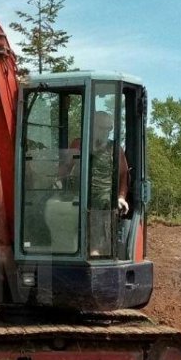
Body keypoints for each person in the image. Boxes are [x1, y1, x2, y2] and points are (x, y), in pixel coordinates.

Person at [58, 108, 130, 256]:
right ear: (92, 126)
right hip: (78, 197)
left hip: (102, 199)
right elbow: (65, 168)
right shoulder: (79, 145)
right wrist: (55, 182)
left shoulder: (115, 149)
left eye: (108, 128)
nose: (106, 132)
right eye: (102, 128)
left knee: (101, 211)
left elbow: (124, 175)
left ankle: (95, 256)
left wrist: (121, 197)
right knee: (54, 208)